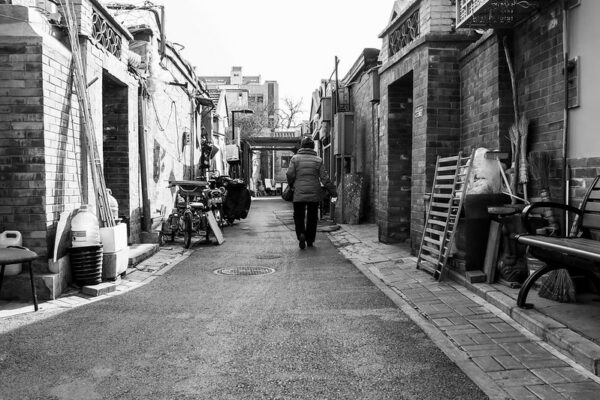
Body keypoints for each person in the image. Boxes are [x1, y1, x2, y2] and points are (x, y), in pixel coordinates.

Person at [286, 136, 337, 249]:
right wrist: (333, 191)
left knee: (298, 215)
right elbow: (324, 178)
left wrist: (291, 185)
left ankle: (301, 235)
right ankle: (310, 240)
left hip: (299, 192)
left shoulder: (295, 159)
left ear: (302, 146)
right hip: (314, 192)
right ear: (313, 147)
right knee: (312, 217)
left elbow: (289, 174)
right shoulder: (318, 160)